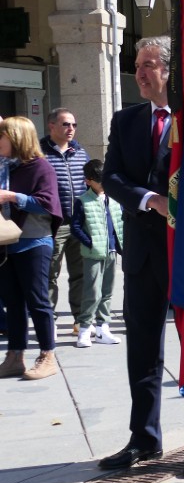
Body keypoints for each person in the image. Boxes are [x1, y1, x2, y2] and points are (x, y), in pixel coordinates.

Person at [100, 36, 184, 477]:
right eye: (137, 65)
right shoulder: (126, 120)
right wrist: (151, 199)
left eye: (149, 64)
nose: (141, 73)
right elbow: (110, 177)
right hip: (142, 255)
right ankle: (144, 439)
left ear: (171, 70)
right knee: (143, 352)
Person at [0, 116, 63, 380]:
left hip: (33, 242)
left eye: (1, 135)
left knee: (38, 301)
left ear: (16, 138)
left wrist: (13, 197)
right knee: (13, 303)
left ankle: (47, 356)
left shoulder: (41, 167)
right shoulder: (5, 167)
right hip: (6, 245)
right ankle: (15, 356)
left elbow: (48, 204)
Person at [40, 108, 88, 334]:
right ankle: (49, 319)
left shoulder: (80, 152)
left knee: (80, 274)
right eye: (66, 124)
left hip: (78, 224)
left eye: (74, 125)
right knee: (49, 274)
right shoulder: (39, 152)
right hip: (53, 225)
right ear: (51, 126)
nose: (71, 129)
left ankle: (79, 320)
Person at [69, 159, 123, 347]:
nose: (103, 184)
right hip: (93, 253)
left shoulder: (113, 198)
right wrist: (89, 242)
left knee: (107, 291)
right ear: (88, 181)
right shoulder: (83, 200)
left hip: (110, 250)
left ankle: (103, 328)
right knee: (92, 291)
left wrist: (121, 244)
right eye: (99, 180)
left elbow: (120, 222)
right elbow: (75, 226)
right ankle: (85, 328)